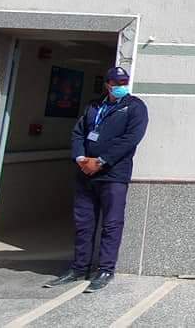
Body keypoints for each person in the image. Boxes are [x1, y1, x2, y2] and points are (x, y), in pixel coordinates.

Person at [44, 67, 149, 292]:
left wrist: (101, 161)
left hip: (114, 174)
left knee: (111, 223)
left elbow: (131, 139)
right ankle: (79, 267)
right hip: (86, 174)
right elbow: (79, 133)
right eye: (116, 83)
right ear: (107, 84)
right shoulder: (94, 106)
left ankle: (105, 270)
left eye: (124, 82)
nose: (121, 86)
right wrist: (81, 158)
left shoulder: (134, 107)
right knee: (83, 223)